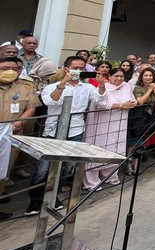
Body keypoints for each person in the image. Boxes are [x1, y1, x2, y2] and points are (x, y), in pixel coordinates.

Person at [26, 56, 107, 215]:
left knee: (67, 166)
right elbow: (50, 101)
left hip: (76, 130)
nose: (79, 71)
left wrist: (102, 85)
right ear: (66, 69)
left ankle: (54, 195)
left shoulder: (87, 87)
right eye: (75, 67)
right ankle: (35, 199)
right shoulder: (53, 86)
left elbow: (100, 100)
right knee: (43, 168)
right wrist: (63, 83)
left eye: (82, 68)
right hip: (53, 131)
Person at [0, 57, 40, 220]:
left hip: (12, 135)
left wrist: (18, 123)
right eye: (4, 68)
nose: (9, 71)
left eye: (13, 68)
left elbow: (31, 108)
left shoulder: (26, 87)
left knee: (4, 170)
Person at [82, 67, 136, 190]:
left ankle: (110, 176)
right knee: (98, 148)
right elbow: (100, 103)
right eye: (116, 76)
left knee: (114, 147)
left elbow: (132, 99)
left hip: (119, 123)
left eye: (121, 76)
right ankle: (92, 181)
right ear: (109, 77)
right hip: (102, 123)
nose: (119, 79)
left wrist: (132, 103)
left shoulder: (126, 86)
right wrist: (121, 105)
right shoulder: (103, 88)